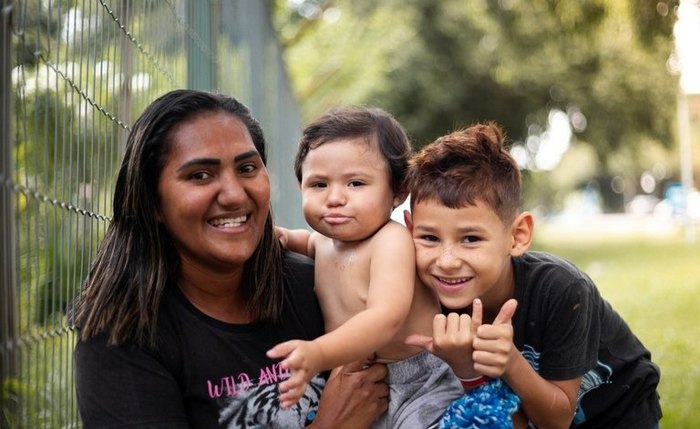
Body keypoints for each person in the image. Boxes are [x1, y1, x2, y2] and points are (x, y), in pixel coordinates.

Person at [72, 89, 390, 429]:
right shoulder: (122, 334)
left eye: (247, 168)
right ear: (153, 202)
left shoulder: (314, 284)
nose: (235, 194)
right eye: (200, 175)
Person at [403, 122, 662, 428]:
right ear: (409, 229)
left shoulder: (562, 289)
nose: (446, 262)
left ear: (518, 236)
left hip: (618, 414)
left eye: (470, 239)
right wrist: (467, 369)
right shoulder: (426, 293)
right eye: (429, 238)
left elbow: (556, 420)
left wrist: (511, 362)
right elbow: (507, 419)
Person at [267, 106, 463, 427]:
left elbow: (385, 317)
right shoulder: (321, 243)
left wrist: (317, 354)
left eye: (355, 183)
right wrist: (279, 237)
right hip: (356, 379)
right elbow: (300, 239)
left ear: (398, 191)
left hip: (418, 382)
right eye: (318, 185)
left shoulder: (391, 240)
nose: (334, 198)